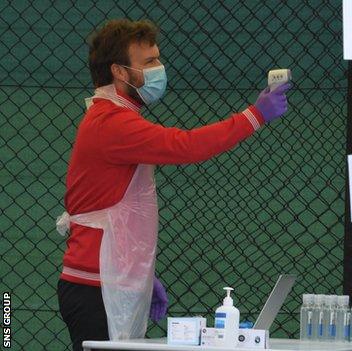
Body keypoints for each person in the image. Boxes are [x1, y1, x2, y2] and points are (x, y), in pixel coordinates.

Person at [55, 19, 291, 351]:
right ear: (120, 72)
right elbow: (186, 146)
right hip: (97, 285)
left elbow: (113, 206)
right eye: (149, 62)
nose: (159, 68)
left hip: (110, 281)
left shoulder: (115, 118)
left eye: (158, 58)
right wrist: (255, 115)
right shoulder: (112, 122)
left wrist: (140, 273)